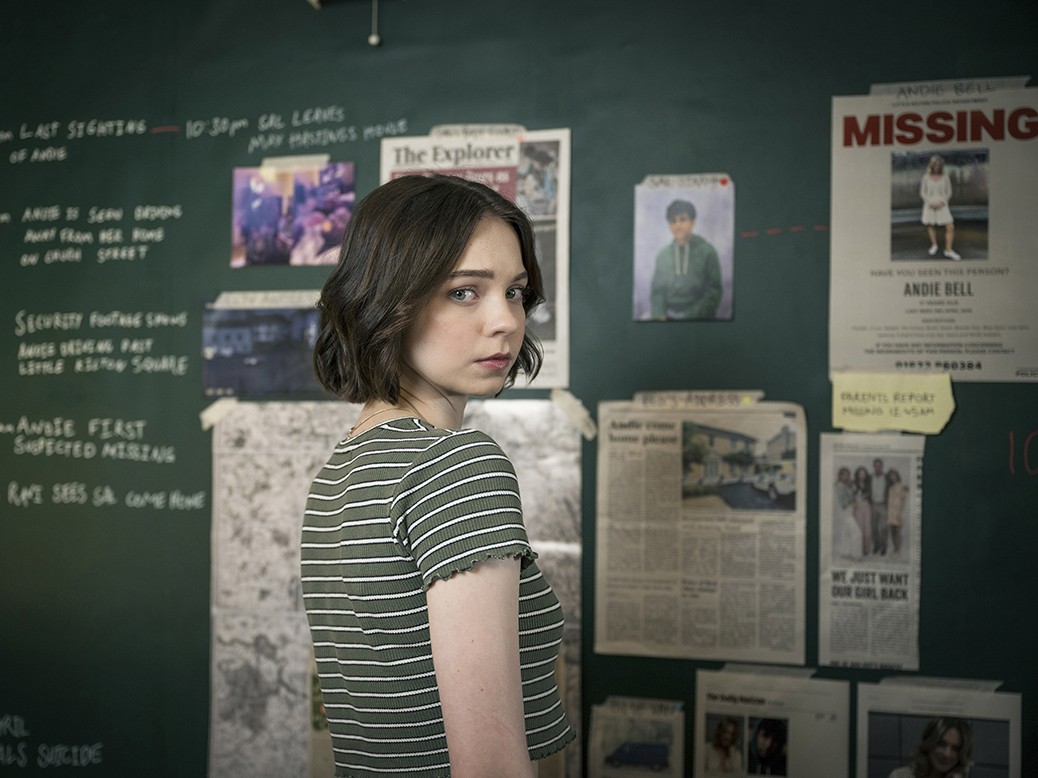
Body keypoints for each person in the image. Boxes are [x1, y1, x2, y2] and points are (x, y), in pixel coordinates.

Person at [301, 174, 574, 777]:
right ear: (389, 298)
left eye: (516, 292)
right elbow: (490, 767)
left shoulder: (339, 474)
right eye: (464, 292)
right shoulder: (455, 464)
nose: (505, 320)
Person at [650, 199, 722, 320]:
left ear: (692, 222)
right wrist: (660, 315)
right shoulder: (663, 256)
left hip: (699, 318)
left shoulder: (707, 252)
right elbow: (657, 292)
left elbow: (713, 292)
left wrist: (687, 317)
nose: (677, 226)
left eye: (682, 219)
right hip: (667, 318)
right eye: (673, 221)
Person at [888, 717, 973, 778]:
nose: (947, 754)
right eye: (941, 744)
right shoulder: (900, 776)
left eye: (955, 749)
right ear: (929, 743)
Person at [920, 155, 960, 260]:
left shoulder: (945, 177)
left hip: (942, 205)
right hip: (929, 205)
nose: (937, 166)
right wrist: (930, 202)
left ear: (941, 165)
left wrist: (942, 202)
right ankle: (934, 245)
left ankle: (948, 250)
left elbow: (949, 192)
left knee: (950, 226)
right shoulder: (926, 177)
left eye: (939, 164)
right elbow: (923, 192)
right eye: (934, 164)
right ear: (931, 165)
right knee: (930, 224)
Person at [834, 466, 862, 560]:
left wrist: (853, 492)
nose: (846, 477)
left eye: (848, 475)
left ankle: (845, 552)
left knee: (845, 533)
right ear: (840, 476)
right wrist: (855, 503)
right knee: (857, 533)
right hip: (846, 512)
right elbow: (844, 504)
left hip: (848, 512)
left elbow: (850, 497)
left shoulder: (845, 485)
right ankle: (856, 555)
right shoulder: (840, 486)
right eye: (844, 475)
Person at [886, 468, 908, 558]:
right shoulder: (890, 487)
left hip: (898, 511)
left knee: (898, 532)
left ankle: (898, 551)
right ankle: (895, 549)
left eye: (894, 475)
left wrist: (900, 512)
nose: (892, 477)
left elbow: (903, 500)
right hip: (891, 512)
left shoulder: (901, 486)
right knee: (892, 531)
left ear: (897, 476)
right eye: (891, 476)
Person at [870, 458, 889, 555]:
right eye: (876, 466)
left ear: (882, 466)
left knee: (884, 528)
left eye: (879, 466)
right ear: (873, 466)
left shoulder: (886, 477)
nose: (878, 467)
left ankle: (884, 547)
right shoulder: (870, 477)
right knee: (874, 528)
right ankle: (876, 546)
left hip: (883, 505)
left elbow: (895, 482)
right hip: (873, 505)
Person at [852, 466, 872, 556]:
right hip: (857, 507)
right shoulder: (853, 483)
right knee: (859, 529)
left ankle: (866, 549)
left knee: (867, 529)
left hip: (866, 506)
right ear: (857, 474)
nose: (862, 475)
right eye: (860, 473)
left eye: (863, 473)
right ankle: (858, 550)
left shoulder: (868, 484)